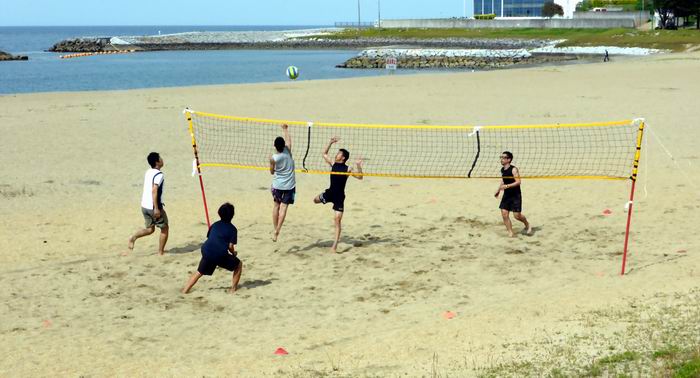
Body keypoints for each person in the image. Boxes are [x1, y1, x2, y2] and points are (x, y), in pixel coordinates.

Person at [313, 137, 363, 253]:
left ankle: (334, 246)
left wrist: (359, 166)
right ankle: (324, 200)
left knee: (337, 220)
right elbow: (324, 153)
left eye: (339, 154)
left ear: (343, 157)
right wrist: (330, 142)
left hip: (339, 197)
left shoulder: (347, 169)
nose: (337, 155)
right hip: (329, 193)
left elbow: (360, 177)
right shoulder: (333, 163)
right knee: (315, 200)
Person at [182, 203, 243, 294]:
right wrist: (233, 253)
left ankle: (185, 290)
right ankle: (233, 289)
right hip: (219, 254)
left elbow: (211, 237)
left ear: (219, 213)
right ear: (232, 215)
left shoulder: (214, 225)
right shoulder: (233, 229)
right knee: (238, 265)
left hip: (207, 250)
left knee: (199, 272)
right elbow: (230, 246)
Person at [128, 152, 169, 255]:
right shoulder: (159, 175)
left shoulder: (148, 172)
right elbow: (154, 190)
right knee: (165, 228)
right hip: (152, 207)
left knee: (150, 229)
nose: (162, 159)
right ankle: (160, 252)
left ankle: (133, 237)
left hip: (144, 206)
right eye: (160, 158)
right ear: (157, 162)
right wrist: (156, 208)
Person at [494, 151, 532, 237]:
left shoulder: (514, 169)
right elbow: (504, 180)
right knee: (504, 213)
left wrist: (507, 186)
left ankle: (527, 224)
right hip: (507, 195)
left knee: (517, 216)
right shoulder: (503, 169)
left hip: (515, 195)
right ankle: (510, 233)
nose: (501, 159)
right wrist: (498, 190)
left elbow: (518, 182)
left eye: (503, 158)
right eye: (501, 157)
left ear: (509, 159)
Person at [269, 124, 296, 242]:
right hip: (289, 186)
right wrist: (285, 129)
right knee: (284, 208)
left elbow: (271, 172)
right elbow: (289, 140)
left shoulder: (273, 158)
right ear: (283, 145)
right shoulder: (288, 151)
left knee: (276, 206)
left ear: (275, 146)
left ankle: (275, 229)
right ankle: (278, 229)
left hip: (277, 185)